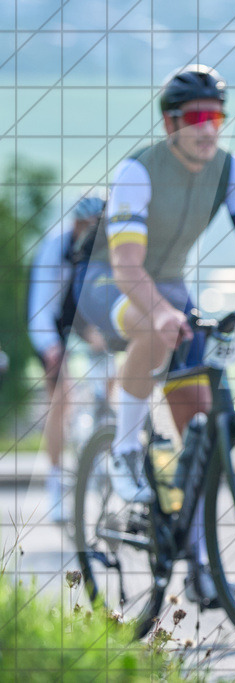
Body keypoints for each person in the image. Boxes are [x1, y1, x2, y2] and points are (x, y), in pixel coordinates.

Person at [77, 63, 235, 606]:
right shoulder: (139, 171)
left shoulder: (229, 170)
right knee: (154, 335)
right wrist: (157, 312)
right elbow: (127, 265)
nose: (209, 129)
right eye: (197, 118)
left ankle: (197, 559)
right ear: (170, 122)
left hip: (172, 290)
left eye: (217, 118)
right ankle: (126, 450)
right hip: (114, 283)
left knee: (199, 426)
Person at [27, 194, 109, 523]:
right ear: (78, 223)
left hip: (80, 316)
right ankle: (55, 483)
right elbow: (39, 313)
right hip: (48, 321)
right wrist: (52, 350)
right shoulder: (54, 248)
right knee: (62, 397)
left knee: (113, 370)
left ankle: (102, 445)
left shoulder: (99, 250)